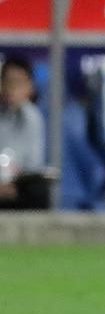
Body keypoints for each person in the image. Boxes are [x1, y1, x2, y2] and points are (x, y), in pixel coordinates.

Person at [0, 57, 48, 210]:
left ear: (30, 87)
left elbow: (33, 164)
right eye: (8, 82)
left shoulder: (33, 117)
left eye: (18, 83)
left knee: (38, 190)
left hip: (18, 186)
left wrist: (10, 183)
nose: (11, 88)